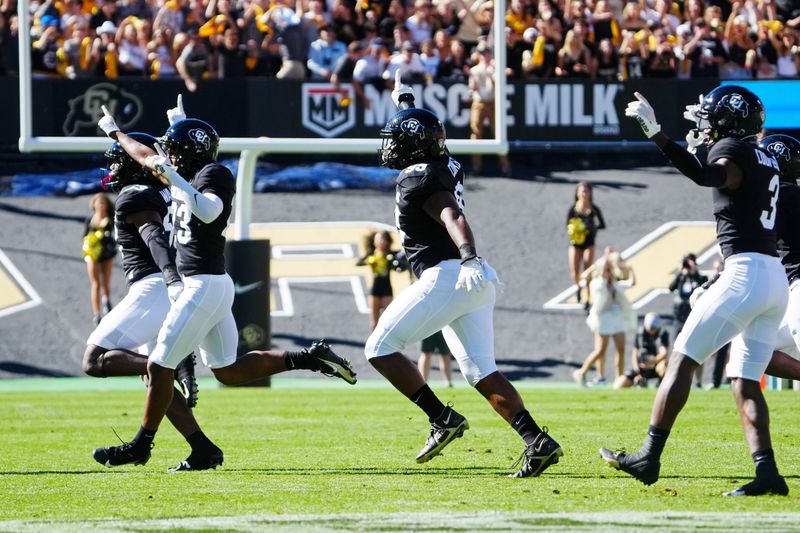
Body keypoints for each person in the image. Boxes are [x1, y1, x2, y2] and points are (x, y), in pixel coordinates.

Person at [91, 100, 357, 468]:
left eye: (175, 150)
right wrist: (121, 132)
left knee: (157, 366)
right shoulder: (183, 176)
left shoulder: (212, 173)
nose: (167, 156)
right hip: (210, 285)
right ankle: (309, 357)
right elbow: (151, 156)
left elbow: (210, 210)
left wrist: (174, 175)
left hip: (201, 285)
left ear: (187, 154)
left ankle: (141, 445)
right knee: (227, 370)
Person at [364, 75, 563, 478]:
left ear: (413, 146)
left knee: (379, 347)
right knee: (479, 369)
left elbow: (452, 215)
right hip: (472, 281)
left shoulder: (415, 177)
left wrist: (468, 255)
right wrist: (406, 100)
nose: (389, 146)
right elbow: (430, 138)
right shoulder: (444, 161)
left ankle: (441, 418)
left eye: (396, 139)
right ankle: (536, 441)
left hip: (449, 274)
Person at [601, 85, 789, 497]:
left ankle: (648, 455)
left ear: (729, 119)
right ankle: (768, 474)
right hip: (774, 276)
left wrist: (657, 134)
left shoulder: (734, 151)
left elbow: (710, 176)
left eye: (711, 115)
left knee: (682, 360)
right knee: (743, 378)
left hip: (745, 272)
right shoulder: (768, 155)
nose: (704, 121)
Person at [85, 131, 217, 470]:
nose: (112, 170)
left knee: (94, 359)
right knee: (154, 379)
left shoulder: (134, 195)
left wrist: (170, 276)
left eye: (117, 162)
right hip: (168, 285)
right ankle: (201, 448)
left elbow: (153, 236)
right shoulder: (167, 192)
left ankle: (169, 363)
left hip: (155, 286)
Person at [573, 249, 636, 386]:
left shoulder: (614, 283)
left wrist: (629, 269)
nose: (610, 271)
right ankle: (582, 372)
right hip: (604, 319)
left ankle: (618, 378)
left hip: (617, 318)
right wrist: (600, 264)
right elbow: (588, 278)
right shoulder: (597, 283)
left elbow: (630, 282)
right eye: (607, 269)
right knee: (600, 350)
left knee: (621, 349)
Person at [668, 252, 708, 387]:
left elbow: (704, 286)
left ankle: (698, 381)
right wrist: (681, 273)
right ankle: (674, 378)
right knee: (677, 348)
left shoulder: (701, 277)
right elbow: (671, 287)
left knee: (699, 350)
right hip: (679, 318)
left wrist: (694, 273)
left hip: (695, 317)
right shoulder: (681, 277)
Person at [356, 230, 405, 330]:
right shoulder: (371, 254)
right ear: (374, 242)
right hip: (375, 290)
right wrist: (369, 261)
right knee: (374, 322)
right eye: (378, 239)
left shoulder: (390, 254)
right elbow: (359, 262)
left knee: (388, 320)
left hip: (387, 289)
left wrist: (392, 261)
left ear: (388, 241)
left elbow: (400, 264)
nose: (381, 241)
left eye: (383, 238)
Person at [566, 181, 605, 307]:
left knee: (587, 269)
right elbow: (567, 225)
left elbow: (602, 224)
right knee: (574, 271)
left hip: (589, 243)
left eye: (586, 191)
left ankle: (587, 297)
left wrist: (591, 228)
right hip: (576, 244)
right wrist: (576, 230)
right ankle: (578, 287)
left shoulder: (593, 209)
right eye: (581, 191)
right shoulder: (573, 209)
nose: (583, 194)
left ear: (590, 193)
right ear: (577, 193)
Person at [83, 192, 118, 326]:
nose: (101, 205)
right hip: (93, 256)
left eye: (103, 202)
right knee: (96, 283)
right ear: (94, 204)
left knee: (106, 282)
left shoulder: (109, 219)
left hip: (107, 254)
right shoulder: (89, 220)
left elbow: (114, 232)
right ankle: (97, 314)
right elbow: (84, 237)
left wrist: (106, 227)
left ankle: (106, 300)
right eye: (99, 202)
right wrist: (91, 243)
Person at [614, 312, 669, 389]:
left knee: (663, 368)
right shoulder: (640, 333)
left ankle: (661, 385)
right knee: (619, 384)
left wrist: (653, 360)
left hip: (656, 366)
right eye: (651, 327)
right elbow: (634, 354)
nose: (652, 330)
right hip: (641, 367)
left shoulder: (662, 334)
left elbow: (664, 353)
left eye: (654, 327)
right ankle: (639, 382)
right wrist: (637, 371)